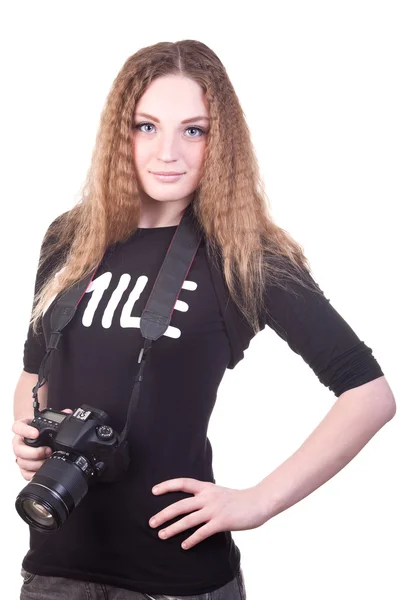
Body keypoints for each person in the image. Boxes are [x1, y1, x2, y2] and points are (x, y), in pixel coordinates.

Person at [12, 39, 396, 600]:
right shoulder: (68, 238)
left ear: (222, 142)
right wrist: (30, 437)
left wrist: (257, 502)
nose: (168, 151)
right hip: (53, 567)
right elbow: (32, 373)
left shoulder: (245, 255)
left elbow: (370, 394)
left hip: (174, 580)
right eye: (147, 127)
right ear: (120, 134)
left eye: (194, 130)